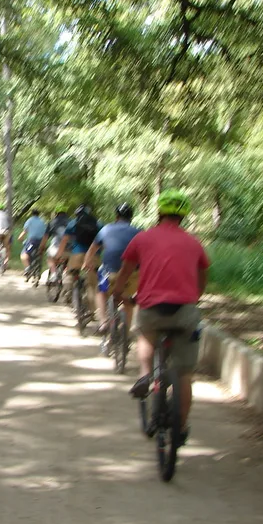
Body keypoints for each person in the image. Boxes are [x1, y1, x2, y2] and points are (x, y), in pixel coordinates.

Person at [111, 189, 209, 444]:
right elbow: (202, 276)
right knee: (184, 374)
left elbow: (125, 271)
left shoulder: (143, 239)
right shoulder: (193, 242)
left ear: (159, 212)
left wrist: (119, 292)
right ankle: (181, 427)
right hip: (184, 311)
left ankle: (146, 374)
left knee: (145, 333)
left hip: (152, 308)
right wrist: (194, 296)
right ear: (184, 216)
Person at [83, 203, 141, 335]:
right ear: (131, 217)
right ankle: (125, 334)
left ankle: (103, 322)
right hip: (132, 276)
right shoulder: (139, 232)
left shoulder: (106, 229)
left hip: (110, 274)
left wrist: (87, 263)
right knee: (128, 301)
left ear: (116, 216)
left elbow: (92, 250)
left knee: (101, 292)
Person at [56, 204, 101, 306]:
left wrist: (59, 255)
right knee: (92, 283)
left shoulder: (73, 222)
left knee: (70, 274)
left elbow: (64, 240)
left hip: (77, 254)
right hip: (93, 256)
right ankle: (90, 308)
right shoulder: (98, 223)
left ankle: (67, 296)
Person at [41, 208, 69, 282]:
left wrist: (42, 247)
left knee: (50, 258)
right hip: (70, 249)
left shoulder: (52, 223)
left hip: (56, 248)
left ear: (56, 216)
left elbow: (45, 237)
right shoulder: (71, 223)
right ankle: (66, 273)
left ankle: (54, 274)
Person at [18, 210, 47, 275]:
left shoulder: (30, 220)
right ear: (38, 214)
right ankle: (38, 266)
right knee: (40, 252)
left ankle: (28, 268)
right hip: (41, 241)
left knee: (24, 254)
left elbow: (25, 230)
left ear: (32, 214)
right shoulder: (42, 221)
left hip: (32, 241)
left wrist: (20, 238)